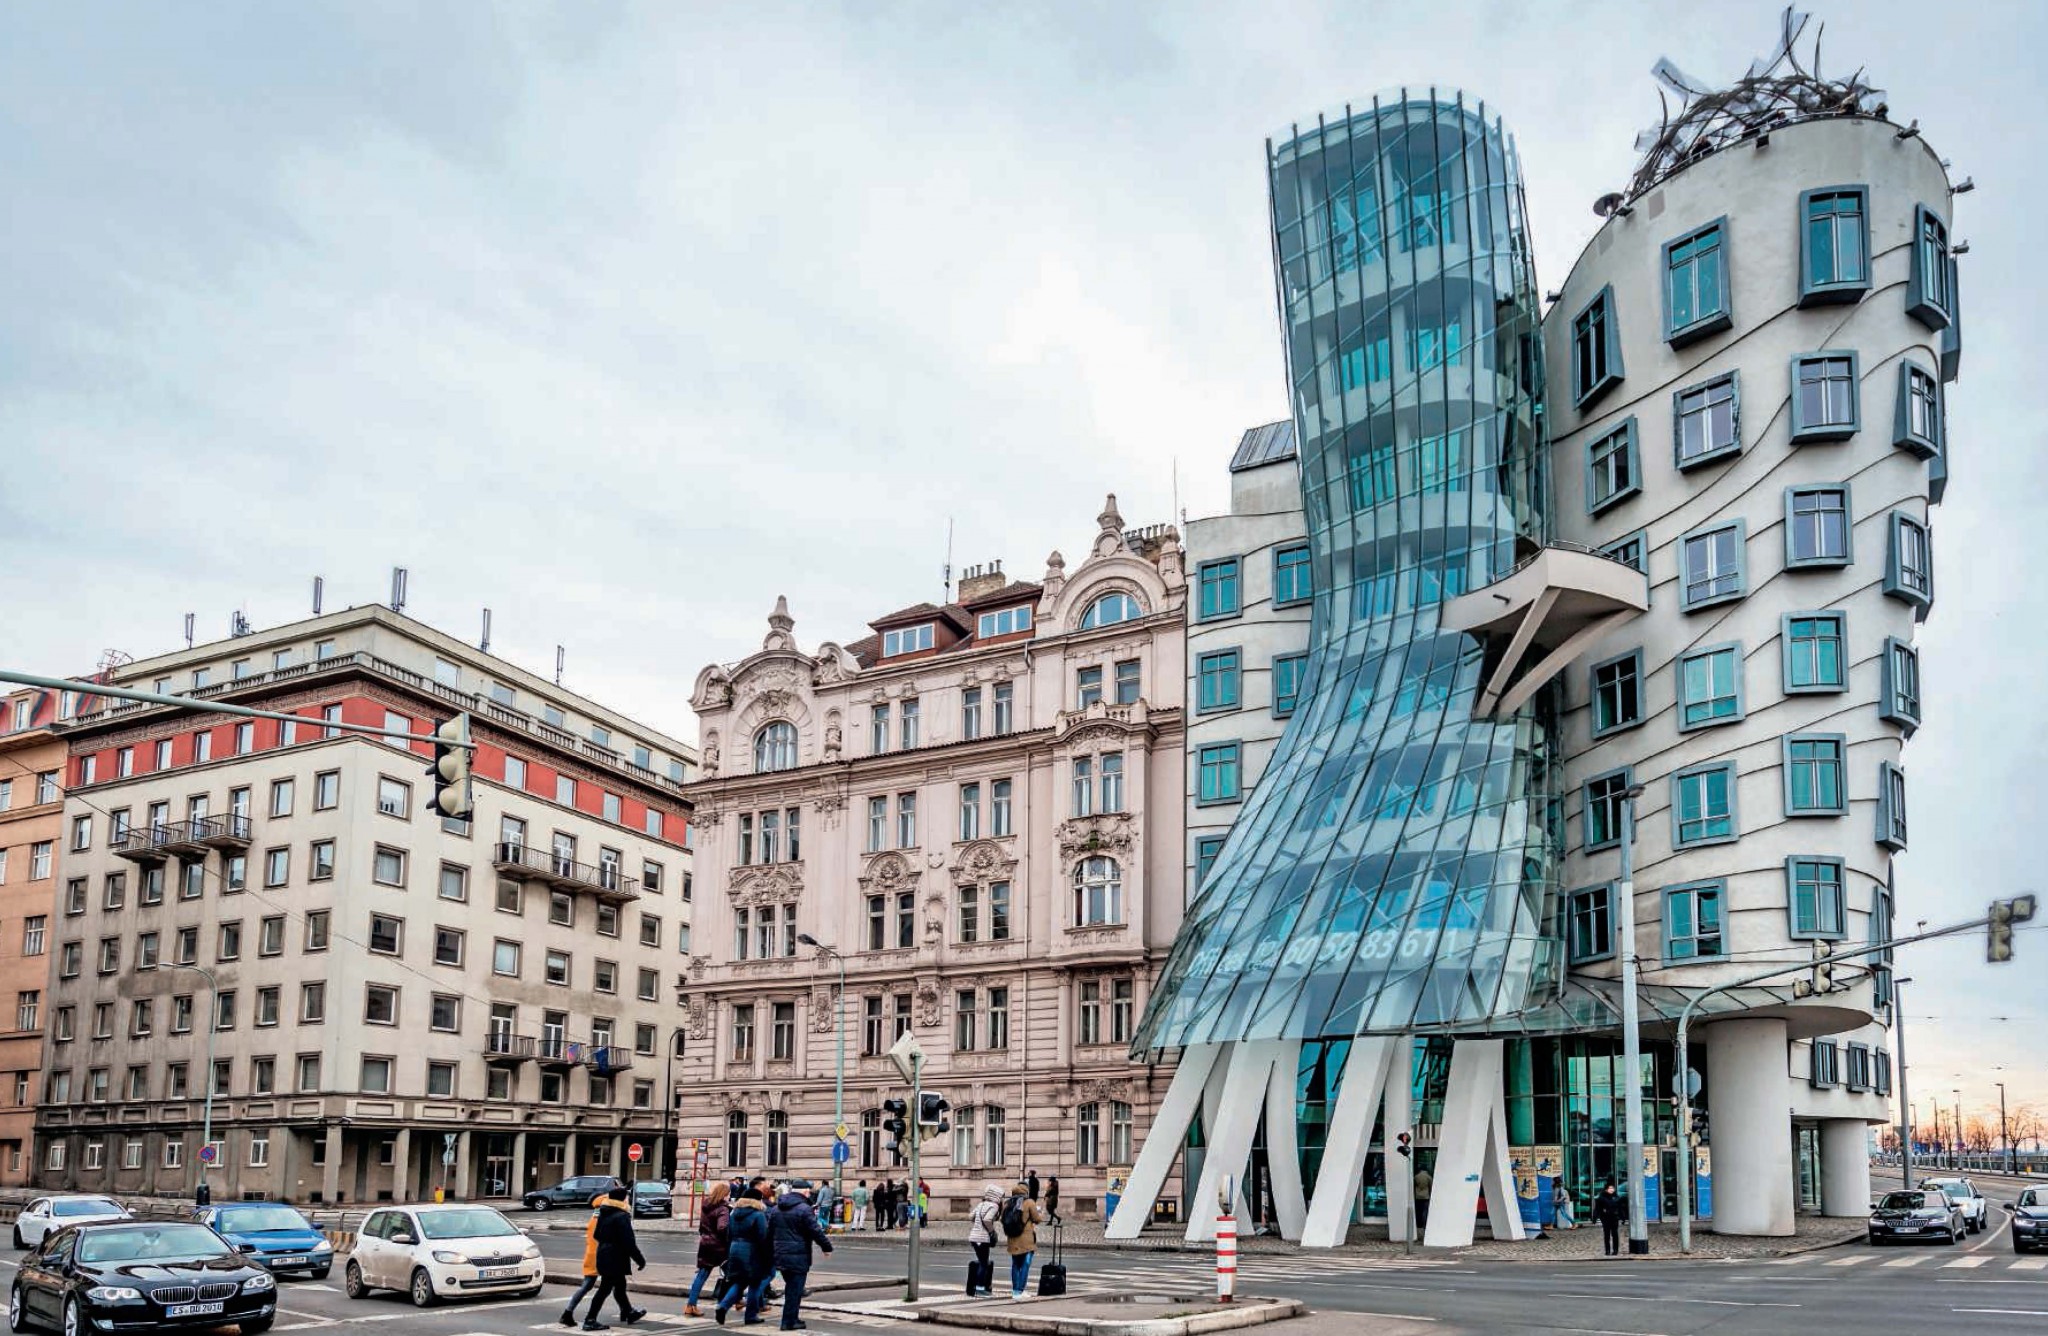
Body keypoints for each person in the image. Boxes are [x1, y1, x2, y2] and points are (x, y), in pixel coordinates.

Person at [768, 1181, 834, 1332]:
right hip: (798, 1256)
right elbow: (815, 1231)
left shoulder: (776, 1208)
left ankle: (792, 1318)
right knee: (794, 1290)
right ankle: (788, 1321)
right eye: (809, 1191)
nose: (809, 1193)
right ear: (805, 1192)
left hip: (780, 1255)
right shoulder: (804, 1209)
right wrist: (826, 1247)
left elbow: (769, 1232)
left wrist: (771, 1252)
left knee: (792, 1288)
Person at [586, 1188, 647, 1331]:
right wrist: (640, 1259)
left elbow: (596, 1235)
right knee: (605, 1289)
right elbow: (628, 1241)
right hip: (615, 1257)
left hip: (604, 1254)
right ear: (622, 1199)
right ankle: (590, 1319)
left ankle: (628, 1312)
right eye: (626, 1197)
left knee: (620, 1286)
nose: (627, 1200)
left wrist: (607, 1243)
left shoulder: (604, 1212)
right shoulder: (622, 1216)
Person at [716, 1186, 772, 1326]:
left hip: (735, 1250)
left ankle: (723, 1306)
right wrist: (768, 1256)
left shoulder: (734, 1213)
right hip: (752, 1252)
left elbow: (728, 1234)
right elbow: (762, 1237)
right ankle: (751, 1316)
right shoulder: (758, 1215)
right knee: (754, 1284)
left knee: (740, 1282)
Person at [559, 1192, 608, 1328]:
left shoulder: (595, 1215)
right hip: (600, 1255)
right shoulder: (604, 1216)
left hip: (591, 1254)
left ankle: (567, 1313)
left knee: (588, 1285)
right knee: (610, 1285)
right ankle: (588, 1318)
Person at [686, 1181, 732, 1318]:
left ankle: (690, 1305)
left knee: (702, 1275)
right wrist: (729, 1237)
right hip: (719, 1246)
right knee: (732, 1274)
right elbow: (722, 1228)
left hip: (705, 1242)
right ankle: (734, 1300)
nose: (729, 1196)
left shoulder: (706, 1205)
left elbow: (702, 1226)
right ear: (724, 1194)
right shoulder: (723, 1209)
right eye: (728, 1194)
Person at [1003, 1180, 1042, 1301]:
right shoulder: (1029, 1202)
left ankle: (1015, 1291)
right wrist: (1040, 1213)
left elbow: (1003, 1219)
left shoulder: (1008, 1203)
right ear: (1026, 1190)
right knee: (1025, 1264)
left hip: (1012, 1238)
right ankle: (1020, 1290)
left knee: (1015, 1264)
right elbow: (1037, 1219)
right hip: (1026, 1239)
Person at [966, 1182, 1003, 1296]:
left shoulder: (981, 1204)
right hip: (982, 1238)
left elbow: (970, 1216)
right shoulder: (994, 1206)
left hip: (974, 1237)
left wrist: (977, 1223)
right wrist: (991, 1231)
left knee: (982, 1262)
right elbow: (987, 1220)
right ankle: (980, 1288)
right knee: (984, 1263)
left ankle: (978, 1287)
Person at [1593, 1181, 1627, 1256]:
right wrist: (1594, 1217)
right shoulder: (1601, 1198)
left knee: (1615, 1234)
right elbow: (1597, 1209)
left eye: (1612, 1188)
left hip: (1614, 1218)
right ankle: (1607, 1250)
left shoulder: (1617, 1197)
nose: (1611, 1190)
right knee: (1607, 1235)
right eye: (1610, 1188)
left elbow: (1620, 1208)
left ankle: (1615, 1250)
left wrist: (1623, 1217)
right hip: (1605, 1218)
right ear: (1606, 1189)